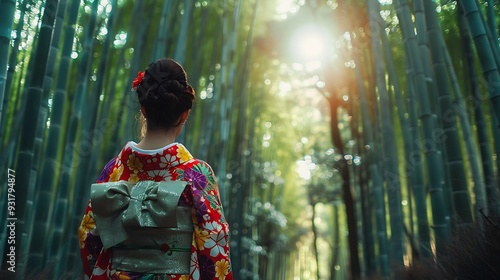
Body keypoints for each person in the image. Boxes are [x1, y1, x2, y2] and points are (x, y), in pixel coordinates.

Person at [78, 58, 233, 280]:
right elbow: (214, 244)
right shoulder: (196, 174)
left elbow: (88, 234)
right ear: (184, 114)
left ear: (143, 109)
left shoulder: (114, 170)